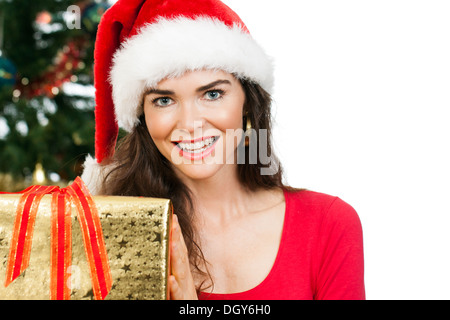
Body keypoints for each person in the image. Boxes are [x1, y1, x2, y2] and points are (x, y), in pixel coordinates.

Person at [81, 0, 365, 300]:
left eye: (212, 93)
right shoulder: (112, 234)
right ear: (142, 117)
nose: (190, 124)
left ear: (248, 102)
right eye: (164, 100)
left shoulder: (329, 225)